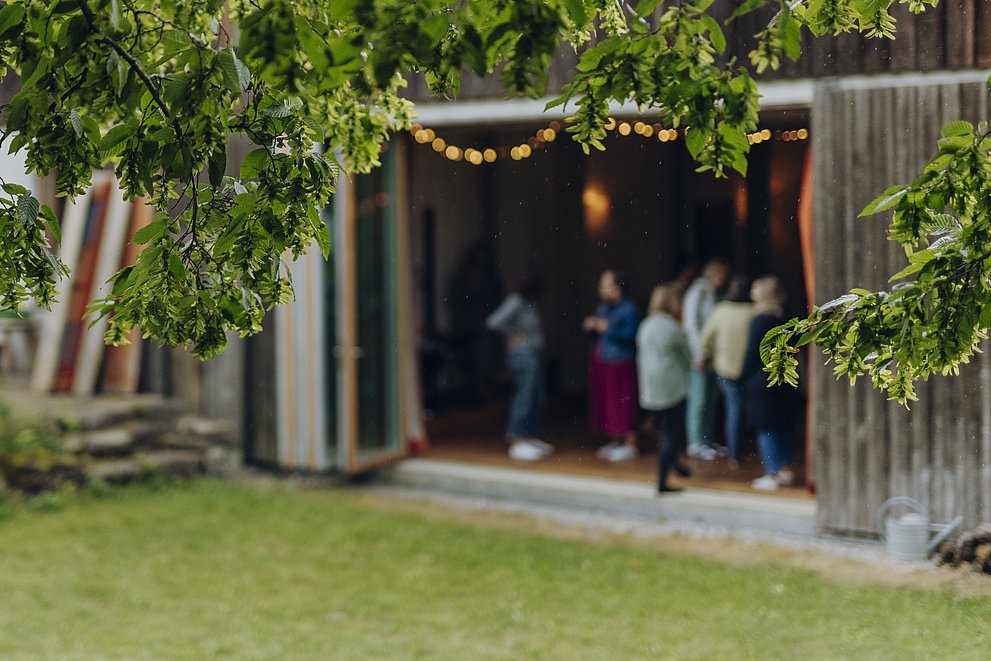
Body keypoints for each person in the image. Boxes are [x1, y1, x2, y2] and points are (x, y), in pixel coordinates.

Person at [486, 267, 552, 462]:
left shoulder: (529, 303)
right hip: (522, 354)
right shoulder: (516, 301)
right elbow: (494, 322)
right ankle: (516, 439)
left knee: (536, 396)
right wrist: (514, 334)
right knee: (524, 395)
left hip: (533, 353)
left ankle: (529, 436)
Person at [637, 284, 693, 492]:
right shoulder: (672, 327)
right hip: (671, 387)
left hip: (650, 388)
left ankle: (675, 464)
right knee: (671, 433)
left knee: (664, 431)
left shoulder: (646, 325)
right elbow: (688, 356)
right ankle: (662, 482)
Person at [740, 275, 795, 490]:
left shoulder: (760, 320)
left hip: (761, 379)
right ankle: (785, 469)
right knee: (779, 424)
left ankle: (772, 473)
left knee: (765, 427)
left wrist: (742, 376)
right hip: (782, 375)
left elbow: (752, 353)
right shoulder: (785, 317)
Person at [583, 269, 642, 462]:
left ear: (617, 289)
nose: (601, 289)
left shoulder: (630, 308)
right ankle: (615, 440)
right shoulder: (603, 307)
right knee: (608, 402)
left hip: (622, 360)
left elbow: (633, 335)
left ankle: (630, 443)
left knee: (624, 401)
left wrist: (608, 329)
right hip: (604, 359)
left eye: (605, 285)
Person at [700, 276, 755, 465]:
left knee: (733, 410)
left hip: (725, 367)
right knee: (748, 409)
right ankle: (747, 449)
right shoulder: (753, 312)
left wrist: (713, 354)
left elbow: (705, 338)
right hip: (750, 368)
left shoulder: (721, 310)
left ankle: (735, 454)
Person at [681, 259, 729, 460]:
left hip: (712, 354)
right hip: (700, 353)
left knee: (710, 398)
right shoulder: (698, 291)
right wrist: (698, 352)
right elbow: (691, 324)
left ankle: (706, 439)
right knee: (699, 398)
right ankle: (695, 441)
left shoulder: (712, 292)